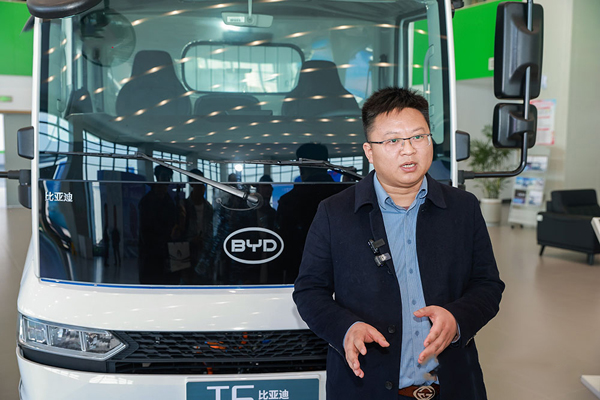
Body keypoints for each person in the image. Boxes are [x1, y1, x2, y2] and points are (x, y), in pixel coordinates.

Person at [293, 87, 504, 400]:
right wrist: (346, 328)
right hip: (365, 387)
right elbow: (309, 291)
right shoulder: (335, 213)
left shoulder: (463, 207)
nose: (409, 150)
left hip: (453, 386)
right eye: (393, 141)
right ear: (369, 151)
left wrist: (457, 318)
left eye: (418, 137)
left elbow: (488, 285)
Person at [275, 143, 344, 283]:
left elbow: (284, 244)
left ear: (301, 165)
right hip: (341, 270)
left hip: (299, 271)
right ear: (326, 164)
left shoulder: (289, 200)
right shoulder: (345, 196)